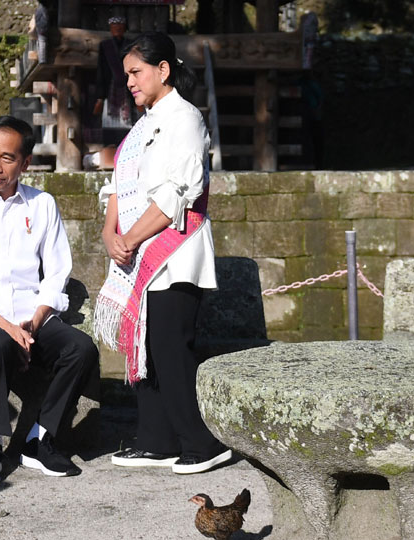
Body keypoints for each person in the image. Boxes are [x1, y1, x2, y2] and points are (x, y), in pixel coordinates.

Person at [94, 32, 231, 475]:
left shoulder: (184, 119)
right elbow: (119, 184)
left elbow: (178, 193)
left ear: (163, 70)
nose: (129, 81)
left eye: (136, 72)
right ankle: (156, 439)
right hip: (139, 249)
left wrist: (129, 238)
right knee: (146, 344)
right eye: (127, 74)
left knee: (171, 347)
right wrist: (108, 230)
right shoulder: (142, 125)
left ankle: (202, 442)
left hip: (174, 252)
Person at [0, 115, 99, 485]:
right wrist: (9, 329)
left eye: (7, 158)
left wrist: (36, 320)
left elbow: (57, 271)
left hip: (32, 318)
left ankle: (41, 438)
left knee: (81, 348)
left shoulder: (41, 205)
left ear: (25, 163)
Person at [93, 16, 137, 138]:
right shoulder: (105, 45)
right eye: (114, 27)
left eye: (120, 27)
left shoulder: (130, 45)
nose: (117, 29)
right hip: (109, 90)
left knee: (128, 127)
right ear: (110, 29)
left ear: (124, 28)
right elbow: (101, 70)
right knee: (110, 127)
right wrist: (100, 96)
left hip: (127, 90)